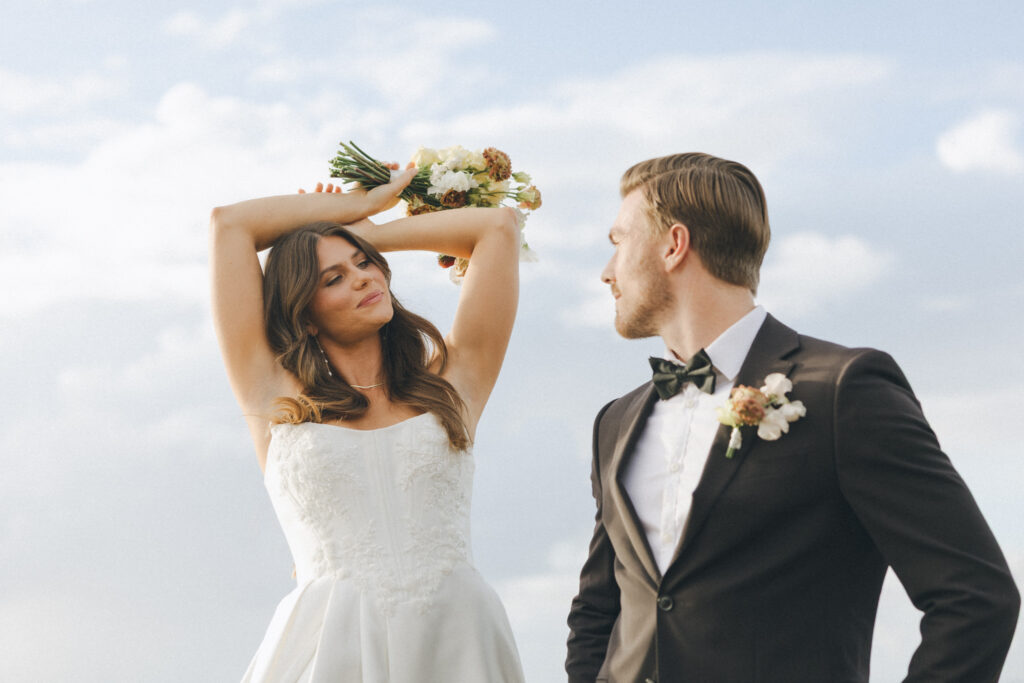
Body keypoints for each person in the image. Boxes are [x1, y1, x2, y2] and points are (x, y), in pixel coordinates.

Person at [565, 153, 1019, 682]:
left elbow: (976, 597)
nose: (606, 271)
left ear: (673, 245)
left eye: (618, 242)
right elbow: (599, 609)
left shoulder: (845, 389)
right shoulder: (616, 423)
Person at [210, 171, 525, 682]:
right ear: (305, 316)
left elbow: (498, 228)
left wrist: (364, 232)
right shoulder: (276, 395)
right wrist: (367, 201)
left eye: (364, 264)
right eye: (332, 279)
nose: (361, 277)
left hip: (458, 640)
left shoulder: (452, 384)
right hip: (327, 650)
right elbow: (230, 225)